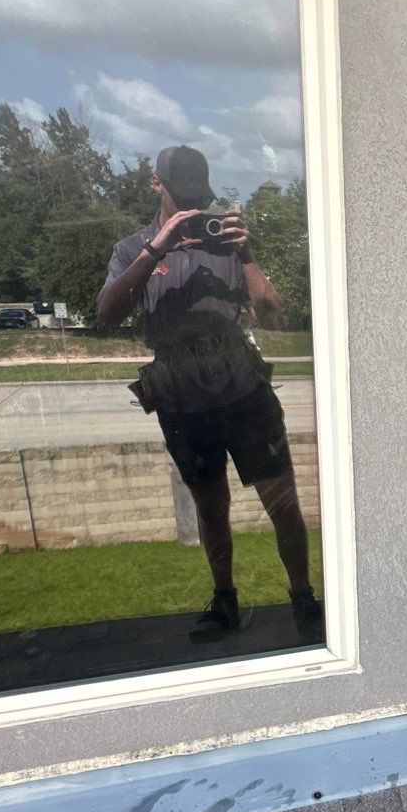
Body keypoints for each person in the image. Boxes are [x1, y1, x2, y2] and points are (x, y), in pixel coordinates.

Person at [96, 144, 323, 643]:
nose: (194, 208)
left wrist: (246, 252)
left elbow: (275, 314)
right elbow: (108, 313)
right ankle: (225, 601)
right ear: (157, 184)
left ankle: (304, 597)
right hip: (181, 398)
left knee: (282, 501)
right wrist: (160, 245)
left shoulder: (225, 244)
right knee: (210, 505)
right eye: (185, 197)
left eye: (201, 197)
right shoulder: (132, 249)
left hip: (243, 390)